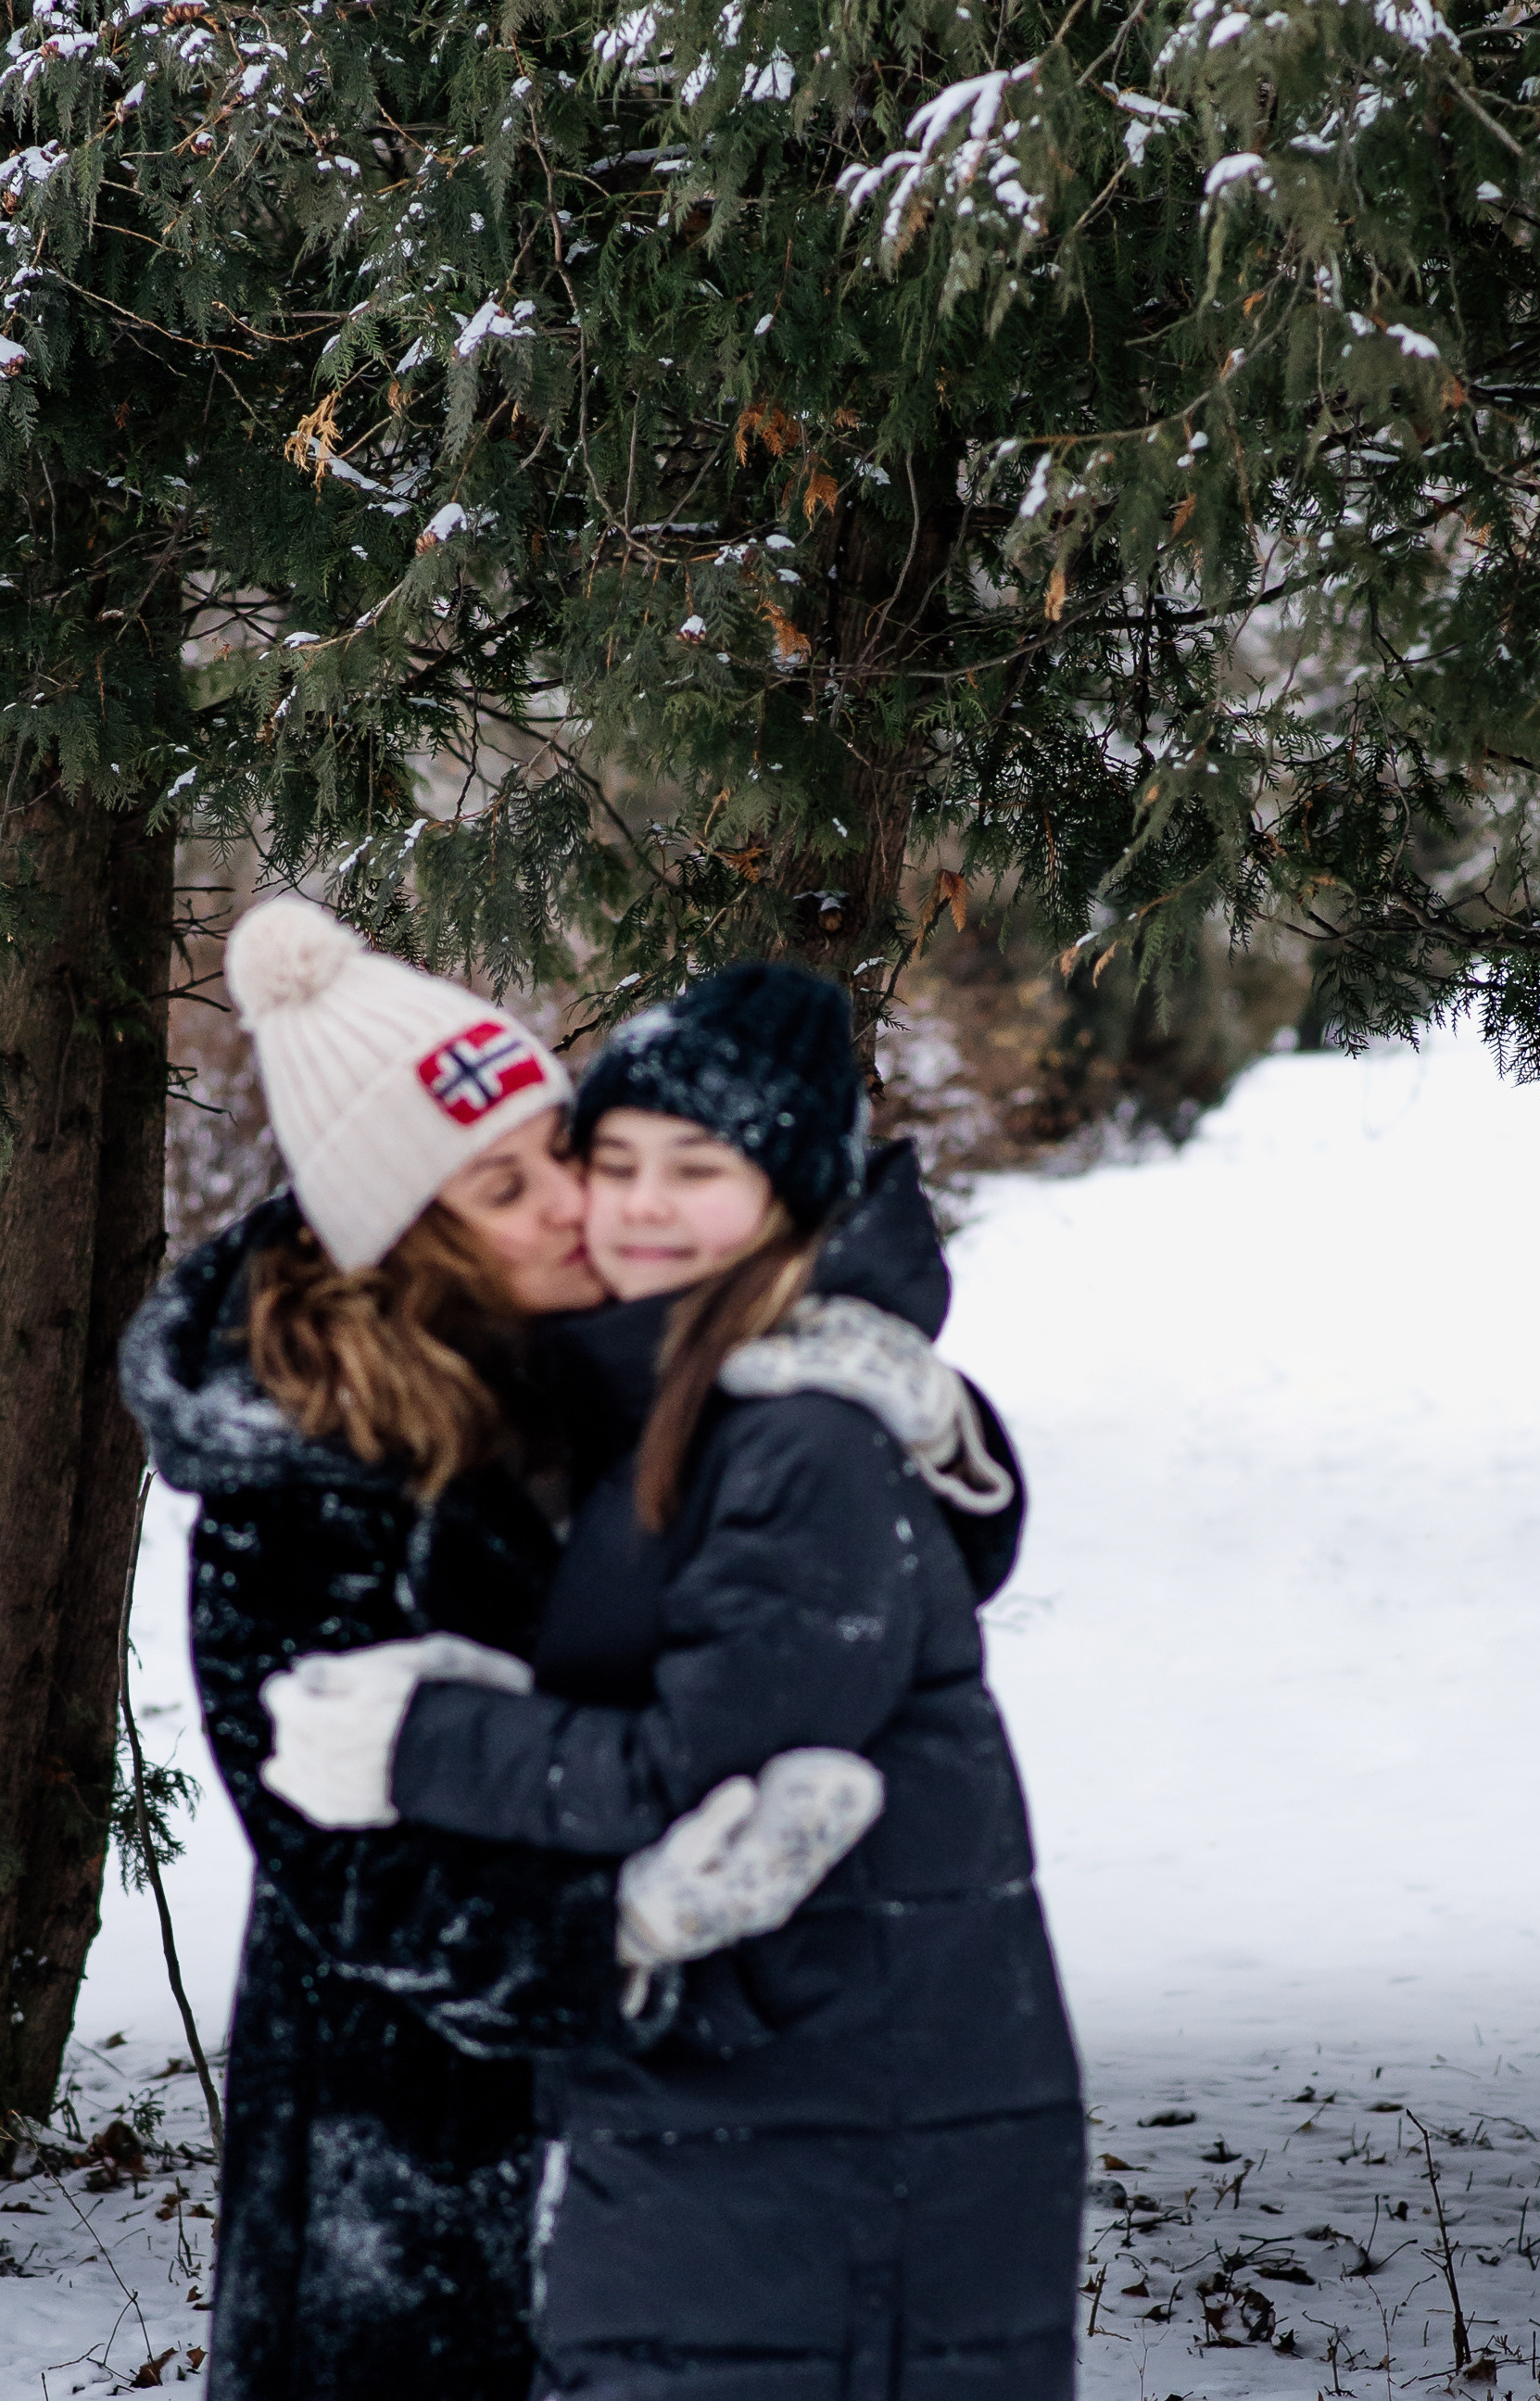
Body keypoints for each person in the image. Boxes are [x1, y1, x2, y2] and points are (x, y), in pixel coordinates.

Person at [264, 963, 1084, 2401]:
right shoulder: (558, 1401)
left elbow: (716, 1727)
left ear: (788, 1192)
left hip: (818, 2118)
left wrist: (428, 1737)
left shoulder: (765, 1411)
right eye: (609, 1163)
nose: (619, 1206)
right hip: (680, 2109)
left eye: (688, 1168)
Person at [120, 908, 886, 2401]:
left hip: (648, 2145)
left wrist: (896, 1403)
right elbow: (338, 1864)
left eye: (559, 1149)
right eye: (502, 1182)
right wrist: (617, 1929)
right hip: (408, 2156)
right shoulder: (304, 1476)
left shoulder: (584, 1359)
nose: (567, 1203)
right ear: (409, 1233)